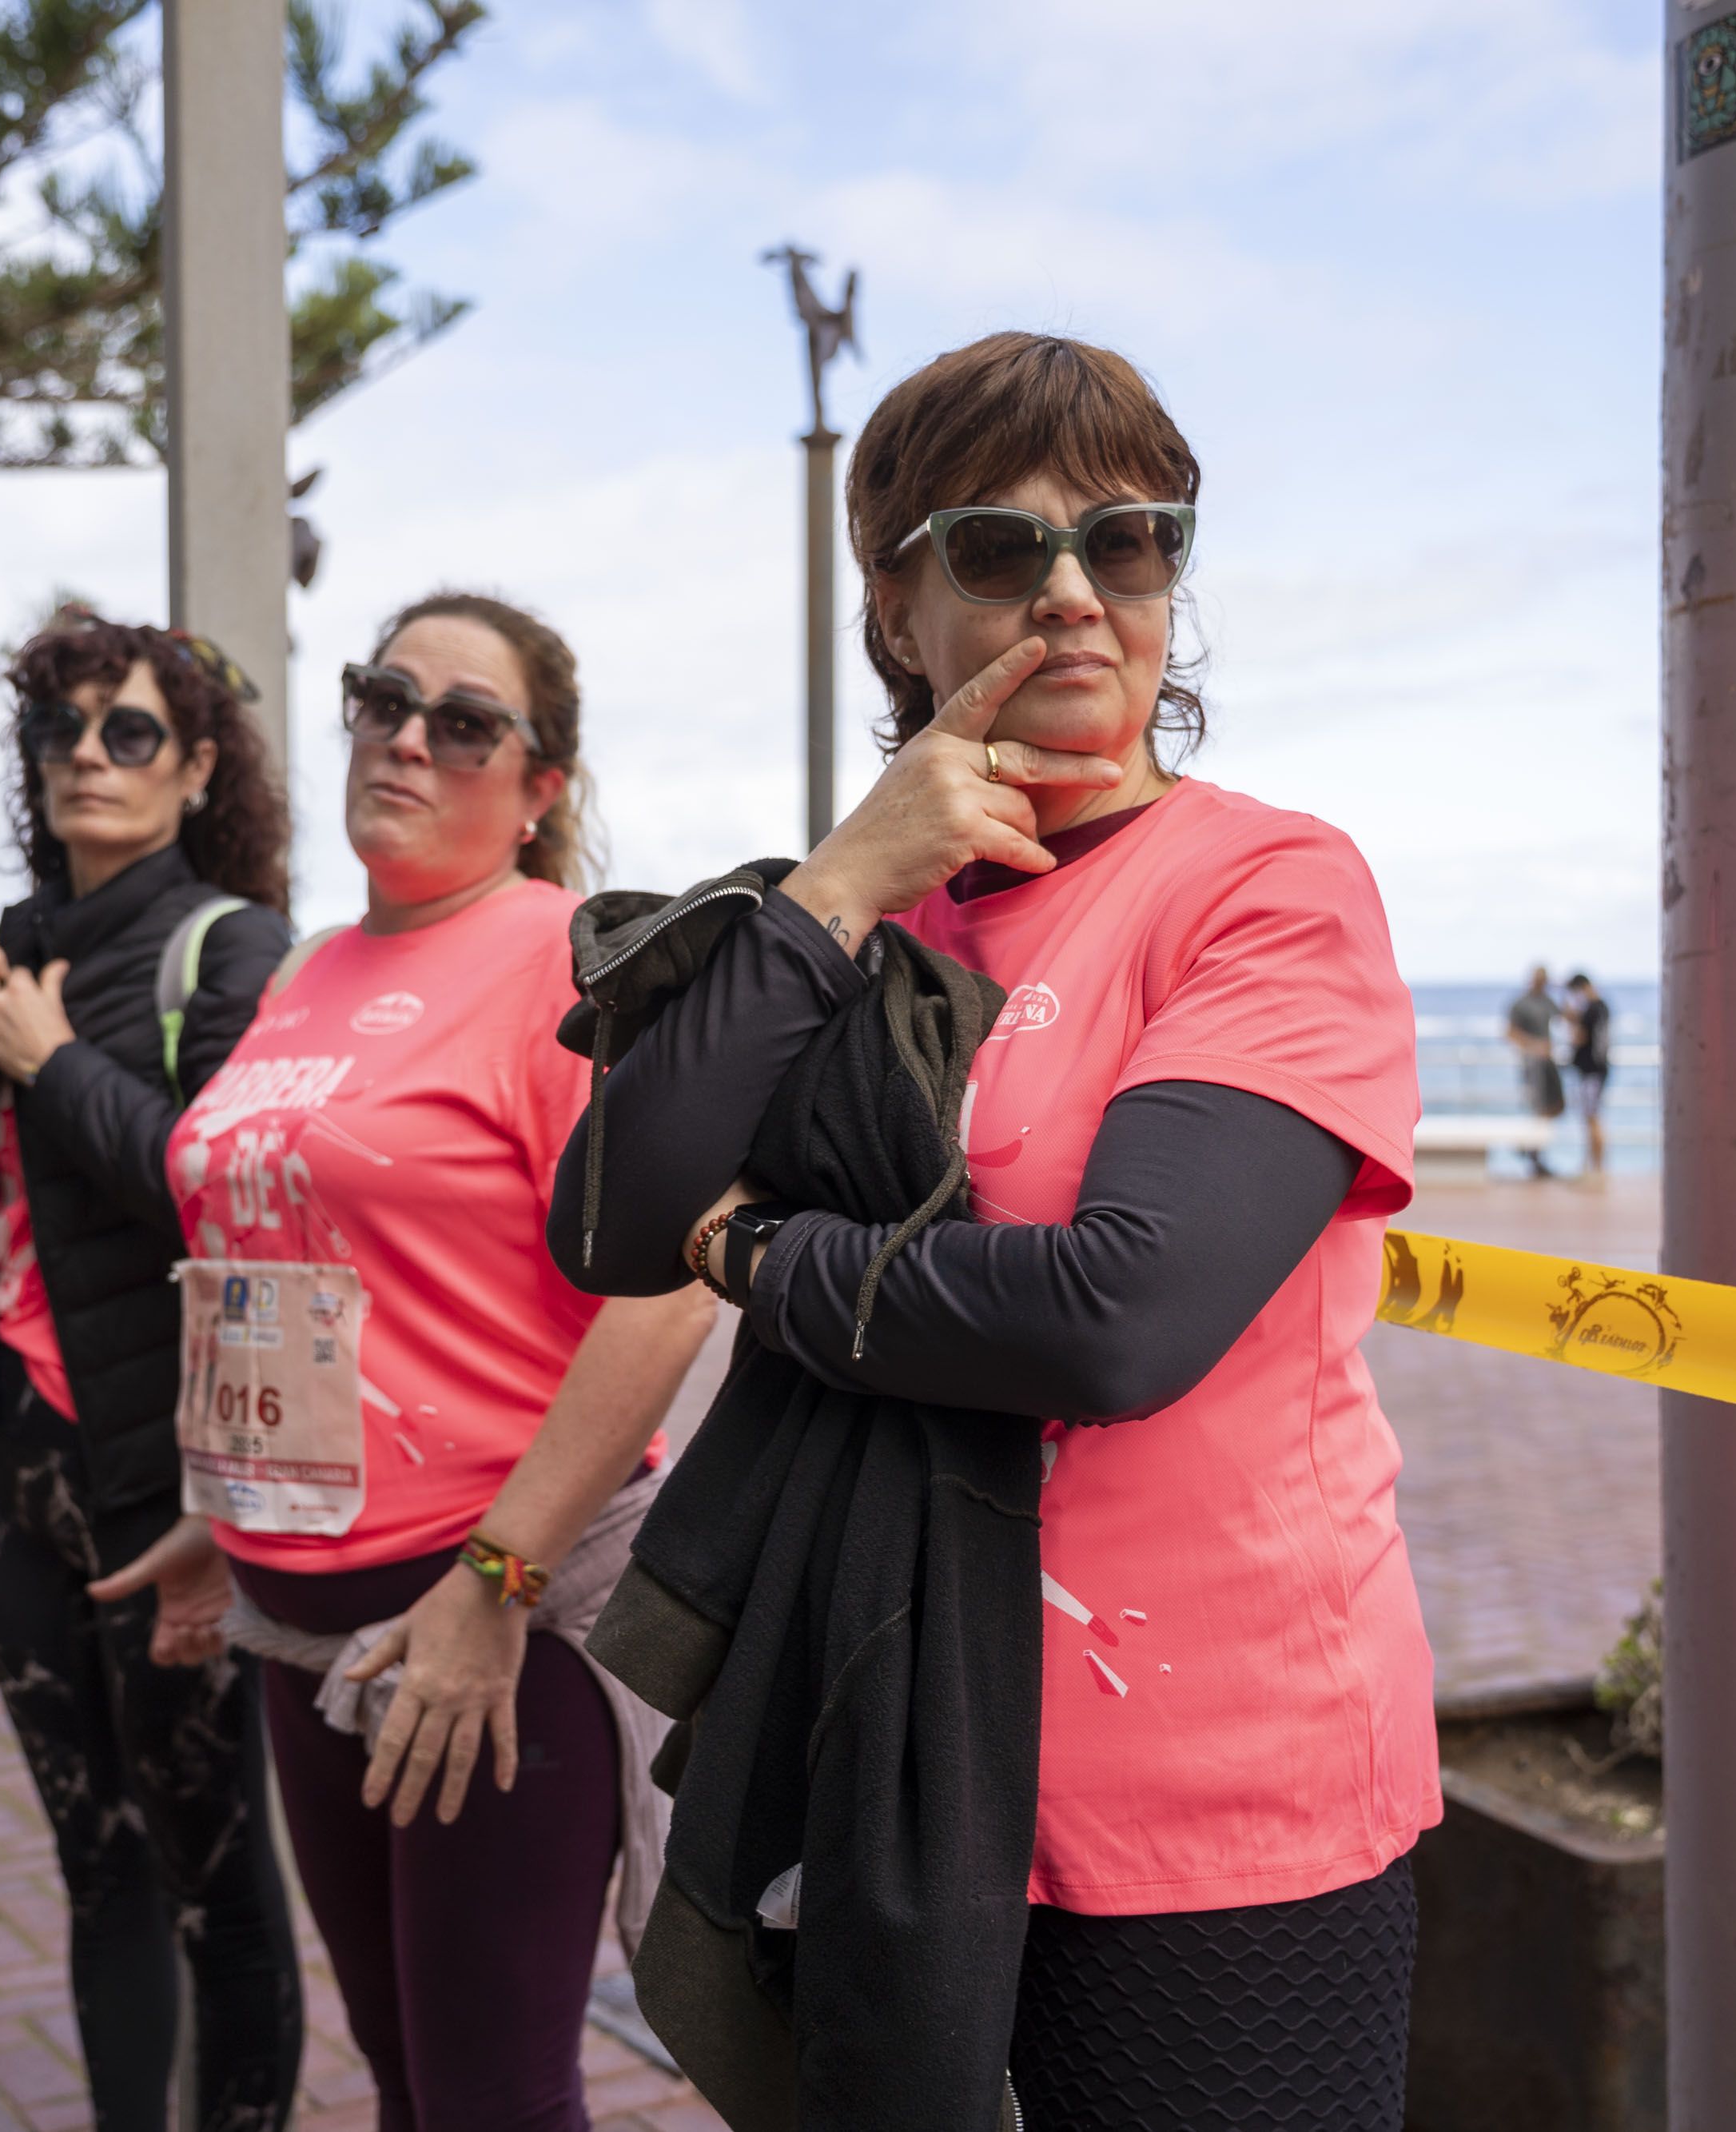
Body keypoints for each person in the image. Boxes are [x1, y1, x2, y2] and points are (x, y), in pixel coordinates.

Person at [560, 333, 1435, 2129]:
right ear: (895, 605)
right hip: (892, 1760)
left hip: (1209, 1795)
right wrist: (828, 893)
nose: (1070, 596)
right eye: (993, 547)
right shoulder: (861, 926)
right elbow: (611, 1211)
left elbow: (1114, 1317)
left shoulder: (1259, 885)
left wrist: (756, 1260)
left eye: (1125, 544)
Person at [88, 592, 719, 2132]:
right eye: (383, 697)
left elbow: (670, 1292)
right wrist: (226, 1505)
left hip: (487, 1614)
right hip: (301, 1612)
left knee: (492, 2095)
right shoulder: (308, 971)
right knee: (403, 2073)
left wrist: (496, 1585)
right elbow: (285, 1260)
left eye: (464, 720)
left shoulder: (565, 969)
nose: (408, 737)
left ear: (540, 784)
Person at [0, 612, 305, 2132]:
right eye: (62, 733)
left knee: (215, 1880)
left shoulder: (229, 948)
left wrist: (52, 1062)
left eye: (130, 734)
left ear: (194, 771)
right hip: (18, 1472)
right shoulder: (16, 946)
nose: (89, 760)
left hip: (163, 1483)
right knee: (95, 1862)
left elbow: (232, 1194)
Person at [1506, 962, 1563, 1179]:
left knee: (1554, 1106)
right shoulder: (1521, 1004)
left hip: (1548, 1061)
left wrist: (1562, 990)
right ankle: (1534, 1157)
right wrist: (1534, 1046)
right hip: (1531, 1063)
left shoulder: (1548, 1000)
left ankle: (1529, 1148)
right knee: (1538, 1108)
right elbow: (1509, 1033)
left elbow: (1566, 1017)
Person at [1563, 970, 1613, 1176]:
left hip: (1591, 1071)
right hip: (1598, 1069)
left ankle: (1597, 1170)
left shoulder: (1591, 1009)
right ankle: (1591, 1167)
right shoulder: (1602, 1007)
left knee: (1592, 1119)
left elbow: (1580, 1037)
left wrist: (1571, 1023)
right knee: (1591, 1118)